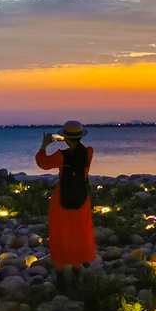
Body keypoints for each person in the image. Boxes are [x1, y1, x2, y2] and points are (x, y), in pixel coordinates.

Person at [35, 120, 96, 291]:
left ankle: (61, 280)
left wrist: (44, 145)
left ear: (65, 137)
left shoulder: (61, 155)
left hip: (61, 199)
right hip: (82, 198)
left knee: (60, 235)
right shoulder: (89, 152)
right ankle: (76, 277)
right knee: (78, 234)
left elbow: (42, 162)